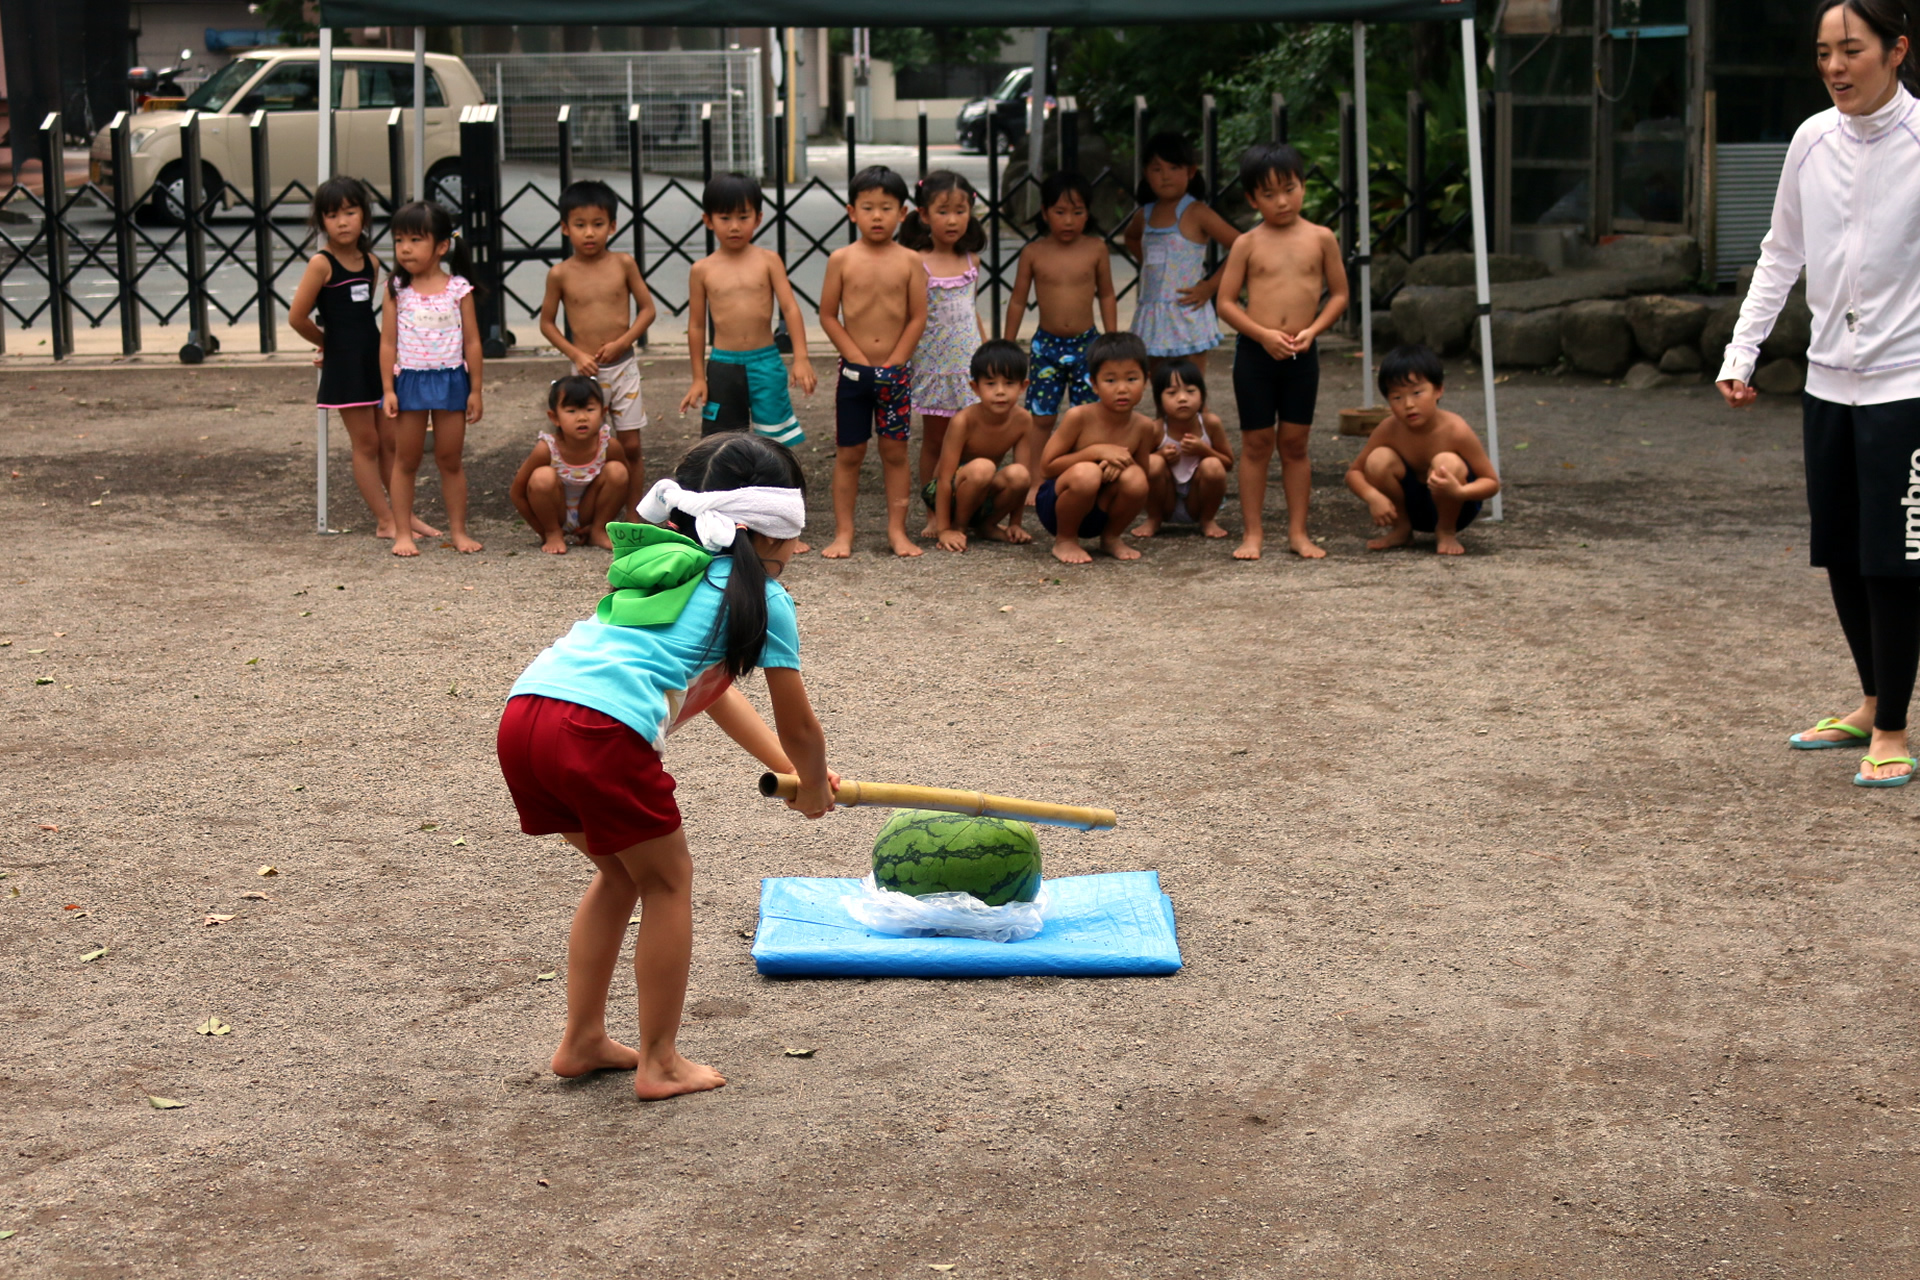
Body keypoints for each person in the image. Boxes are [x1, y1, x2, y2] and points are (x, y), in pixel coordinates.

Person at [499, 433, 836, 1100]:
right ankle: (660, 1061)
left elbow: (717, 696)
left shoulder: (668, 566)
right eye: (797, 535)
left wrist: (791, 776)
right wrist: (816, 782)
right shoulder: (765, 600)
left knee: (621, 876)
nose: (800, 550)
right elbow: (799, 722)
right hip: (599, 732)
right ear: (770, 533)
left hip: (528, 717)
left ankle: (583, 1040)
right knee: (669, 883)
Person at [1718, 0, 1920, 787]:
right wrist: (1743, 350)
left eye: (1853, 50)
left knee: (1895, 559)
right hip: (1829, 381)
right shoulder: (1810, 141)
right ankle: (1874, 700)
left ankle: (1896, 732)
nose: (1835, 66)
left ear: (1897, 50)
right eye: (1824, 53)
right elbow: (1781, 254)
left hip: (1907, 384)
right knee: (1839, 547)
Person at [1216, 142, 1350, 561]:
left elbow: (1340, 295)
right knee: (1256, 443)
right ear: (1252, 199)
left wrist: (1312, 331)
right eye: (1269, 194)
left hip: (1301, 352)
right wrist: (1262, 335)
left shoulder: (1322, 237)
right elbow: (1224, 303)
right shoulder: (1247, 244)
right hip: (1257, 354)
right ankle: (1253, 533)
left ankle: (1298, 532)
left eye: (1289, 189)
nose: (1281, 201)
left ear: (1303, 187)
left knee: (1295, 442)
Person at [288, 176, 436, 543]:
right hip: (345, 365)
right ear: (321, 221)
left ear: (364, 216)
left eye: (350, 213)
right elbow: (297, 317)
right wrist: (327, 345)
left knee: (391, 441)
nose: (342, 222)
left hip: (373, 357)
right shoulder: (320, 264)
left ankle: (404, 515)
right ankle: (385, 519)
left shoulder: (370, 262)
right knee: (366, 443)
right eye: (332, 214)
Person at [818, 165, 928, 559]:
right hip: (854, 373)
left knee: (895, 452)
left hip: (895, 375)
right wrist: (857, 358)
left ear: (903, 213)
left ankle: (897, 531)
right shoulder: (841, 259)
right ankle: (843, 532)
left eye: (886, 207)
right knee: (849, 453)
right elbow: (828, 314)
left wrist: (896, 361)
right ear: (852, 212)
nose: (877, 216)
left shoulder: (911, 261)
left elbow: (918, 316)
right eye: (868, 207)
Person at [538, 179, 658, 513]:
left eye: (597, 224)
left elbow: (648, 310)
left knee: (630, 445)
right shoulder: (560, 274)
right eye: (580, 225)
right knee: (586, 443)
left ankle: (635, 516)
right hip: (584, 374)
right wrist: (575, 353)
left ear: (613, 226)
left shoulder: (623, 264)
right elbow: (546, 323)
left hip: (623, 369)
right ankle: (591, 514)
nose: (589, 233)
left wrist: (622, 341)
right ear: (565, 228)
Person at [679, 173, 817, 451]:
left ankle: (776, 490)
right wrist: (698, 377)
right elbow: (696, 326)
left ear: (758, 218)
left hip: (766, 361)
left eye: (743, 217)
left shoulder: (769, 261)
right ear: (708, 220)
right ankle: (728, 492)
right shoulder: (702, 269)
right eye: (725, 218)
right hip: (722, 365)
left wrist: (801, 358)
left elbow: (790, 308)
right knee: (722, 443)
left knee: (775, 442)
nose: (734, 227)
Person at [380, 200, 484, 557]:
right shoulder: (396, 288)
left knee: (450, 459)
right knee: (405, 461)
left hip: (452, 382)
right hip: (409, 382)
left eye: (415, 239)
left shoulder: (459, 289)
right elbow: (388, 342)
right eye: (398, 240)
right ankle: (402, 533)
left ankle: (458, 530)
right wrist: (388, 389)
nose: (405, 248)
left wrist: (476, 391)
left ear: (441, 246)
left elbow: (472, 341)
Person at [1006, 172, 1119, 488]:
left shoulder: (1096, 249)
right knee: (1040, 417)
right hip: (1046, 347)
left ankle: (1085, 474)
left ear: (1088, 213)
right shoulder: (1034, 252)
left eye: (1078, 212)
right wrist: (1008, 342)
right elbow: (1017, 300)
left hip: (1088, 345)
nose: (1069, 220)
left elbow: (1107, 294)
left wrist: (1111, 338)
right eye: (1060, 212)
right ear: (1044, 212)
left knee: (1088, 415)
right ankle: (1035, 477)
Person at [1345, 345, 1501, 556]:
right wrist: (1372, 496)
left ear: (1438, 390)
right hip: (1409, 508)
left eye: (1417, 393)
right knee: (1377, 459)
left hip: (1456, 507)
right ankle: (1402, 528)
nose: (1408, 404)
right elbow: (1354, 473)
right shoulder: (1389, 429)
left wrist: (1460, 491)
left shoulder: (1455, 429)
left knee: (1447, 461)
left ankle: (1445, 531)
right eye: (1397, 397)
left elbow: (1491, 482)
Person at [900, 169, 988, 511]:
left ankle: (969, 502)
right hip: (934, 367)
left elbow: (972, 310)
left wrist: (986, 352)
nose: (953, 220)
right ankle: (934, 504)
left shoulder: (971, 261)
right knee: (936, 440)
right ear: (923, 214)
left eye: (960, 210)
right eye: (943, 211)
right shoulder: (917, 262)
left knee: (970, 438)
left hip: (969, 365)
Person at [1122, 133, 1239, 377]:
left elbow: (1242, 246)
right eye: (1157, 169)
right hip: (1153, 314)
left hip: (1188, 313)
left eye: (1174, 167)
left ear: (1191, 171)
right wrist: (1150, 265)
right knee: (1160, 387)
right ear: (1145, 173)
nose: (1165, 176)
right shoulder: (1144, 215)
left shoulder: (1197, 212)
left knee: (1191, 386)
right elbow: (1131, 237)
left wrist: (1210, 286)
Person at [1036, 331, 1157, 565]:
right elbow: (1046, 468)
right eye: (1110, 380)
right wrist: (1096, 452)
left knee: (1136, 478)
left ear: (1146, 380)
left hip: (1101, 510)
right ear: (1094, 384)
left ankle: (1111, 537)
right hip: (1058, 507)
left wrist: (1121, 465)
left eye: (1131, 379)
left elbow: (1142, 475)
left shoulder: (1144, 426)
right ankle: (1066, 540)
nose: (1122, 389)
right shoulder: (1079, 417)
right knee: (1087, 473)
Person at [924, 338, 1036, 552]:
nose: (1000, 391)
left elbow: (1024, 478)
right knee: (982, 467)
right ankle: (959, 527)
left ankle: (986, 525)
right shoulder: (963, 421)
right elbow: (944, 479)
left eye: (1009, 383)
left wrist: (1015, 524)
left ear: (1023, 387)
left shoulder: (1023, 420)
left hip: (983, 489)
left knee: (1019, 474)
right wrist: (943, 528)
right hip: (946, 491)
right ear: (975, 387)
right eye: (991, 384)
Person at [509, 375, 632, 555]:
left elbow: (623, 485)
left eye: (590, 409)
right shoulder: (547, 448)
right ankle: (554, 533)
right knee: (542, 476)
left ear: (603, 413)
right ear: (554, 417)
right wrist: (544, 531)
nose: (582, 418)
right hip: (555, 511)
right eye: (572, 411)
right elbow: (517, 493)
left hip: (587, 511)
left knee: (618, 471)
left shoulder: (608, 445)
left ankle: (598, 530)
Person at [1132, 357, 1232, 540]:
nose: (1183, 398)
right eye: (1172, 393)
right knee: (1152, 462)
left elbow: (1228, 464)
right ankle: (1154, 519)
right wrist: (1161, 455)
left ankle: (1208, 520)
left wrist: (1205, 451)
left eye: (1190, 391)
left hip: (1198, 499)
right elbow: (1137, 466)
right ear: (1159, 401)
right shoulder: (1156, 428)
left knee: (1213, 465)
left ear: (1202, 395)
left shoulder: (1210, 424)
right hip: (1165, 500)